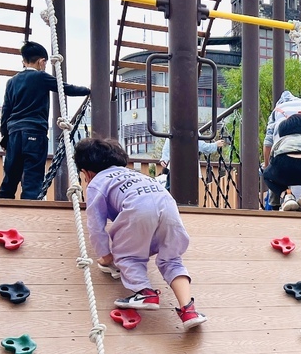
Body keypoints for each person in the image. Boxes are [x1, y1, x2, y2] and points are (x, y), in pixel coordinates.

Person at [75, 136, 207, 330]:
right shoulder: (137, 174)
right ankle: (188, 310)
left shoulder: (96, 183)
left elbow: (96, 226)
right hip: (168, 205)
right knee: (172, 260)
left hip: (138, 209)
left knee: (128, 254)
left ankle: (145, 293)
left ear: (86, 172)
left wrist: (106, 255)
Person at [0, 41, 90, 200]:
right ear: (41, 61)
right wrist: (89, 90)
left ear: (24, 60)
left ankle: (3, 207)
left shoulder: (11, 82)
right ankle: (29, 213)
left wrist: (4, 137)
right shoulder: (40, 77)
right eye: (45, 63)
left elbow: (6, 111)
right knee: (32, 177)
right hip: (34, 132)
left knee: (11, 175)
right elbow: (66, 88)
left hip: (14, 133)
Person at [158, 136, 224, 191]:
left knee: (171, 188)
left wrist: (164, 159)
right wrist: (216, 144)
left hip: (175, 165)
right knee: (187, 190)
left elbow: (167, 146)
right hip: (189, 166)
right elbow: (203, 147)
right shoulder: (192, 129)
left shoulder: (173, 128)